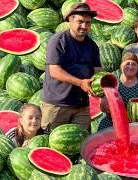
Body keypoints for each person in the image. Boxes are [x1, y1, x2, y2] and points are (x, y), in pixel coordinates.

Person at [41, 3, 102, 132]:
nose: (84, 26)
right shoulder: (58, 41)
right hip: (57, 105)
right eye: (80, 21)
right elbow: (55, 71)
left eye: (88, 22)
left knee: (81, 143)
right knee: (52, 144)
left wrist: (105, 91)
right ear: (70, 20)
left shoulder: (92, 46)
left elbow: (97, 72)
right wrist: (80, 83)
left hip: (81, 106)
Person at [98, 52, 138, 130]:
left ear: (137, 67)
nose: (130, 66)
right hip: (112, 124)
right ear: (121, 65)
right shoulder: (112, 81)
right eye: (127, 63)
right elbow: (103, 108)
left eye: (134, 64)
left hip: (136, 126)